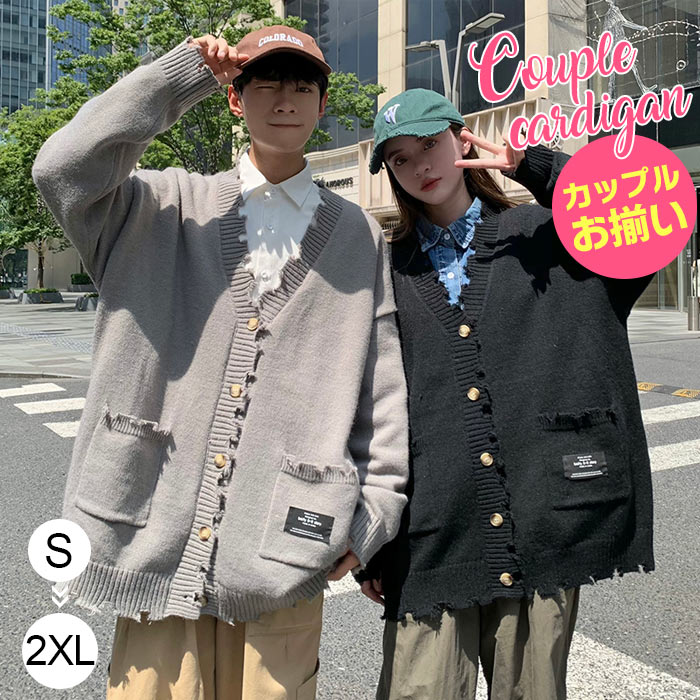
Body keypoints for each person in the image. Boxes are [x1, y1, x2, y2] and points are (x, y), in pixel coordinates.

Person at [32, 26, 409, 700]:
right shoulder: (154, 205)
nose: (286, 99)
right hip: (150, 533)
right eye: (267, 84)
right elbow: (61, 167)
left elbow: (381, 386)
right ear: (235, 98)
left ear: (323, 105)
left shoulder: (357, 234)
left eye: (303, 86)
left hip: (282, 548)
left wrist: (375, 510)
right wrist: (178, 77)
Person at [360, 88, 654, 700]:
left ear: (461, 138)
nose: (421, 165)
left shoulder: (547, 236)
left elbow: (640, 222)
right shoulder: (387, 271)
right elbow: (369, 408)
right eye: (400, 158)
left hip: (539, 523)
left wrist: (535, 167)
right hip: (432, 533)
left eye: (431, 144)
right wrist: (373, 539)